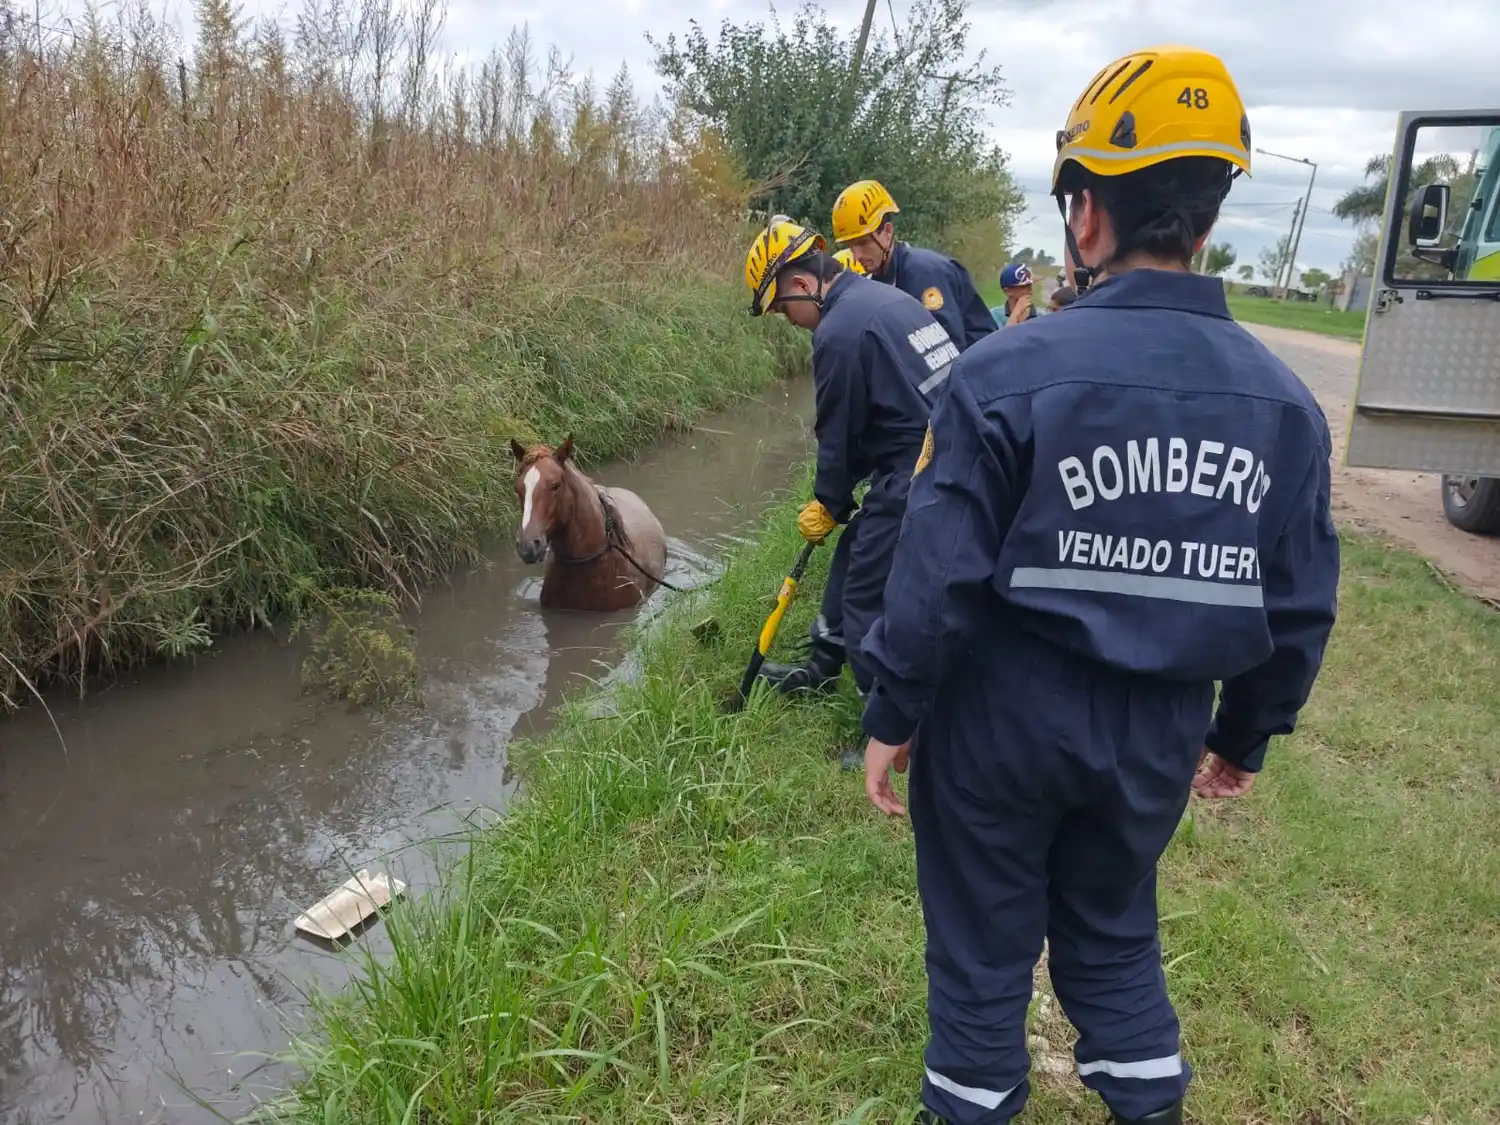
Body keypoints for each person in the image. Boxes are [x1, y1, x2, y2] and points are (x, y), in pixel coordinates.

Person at [856, 45, 1341, 1125]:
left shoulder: (1001, 376)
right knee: (1115, 943)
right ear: (1208, 219)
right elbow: (1300, 605)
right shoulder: (1286, 408)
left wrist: (890, 711)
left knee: (982, 958)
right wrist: (1244, 736)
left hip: (996, 729)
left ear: (1084, 219)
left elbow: (934, 576)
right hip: (1155, 738)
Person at [743, 217, 957, 719]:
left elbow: (838, 435)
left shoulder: (839, 330)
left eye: (781, 307)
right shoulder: (884, 299)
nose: (786, 319)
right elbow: (878, 412)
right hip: (943, 444)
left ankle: (881, 718)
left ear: (801, 284)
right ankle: (822, 664)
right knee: (857, 548)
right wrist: (841, 506)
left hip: (925, 465)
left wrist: (829, 502)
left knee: (866, 592)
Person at [831, 179, 998, 352]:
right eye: (850, 246)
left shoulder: (926, 273)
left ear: (887, 232)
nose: (856, 255)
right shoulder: (878, 280)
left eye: (863, 243)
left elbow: (946, 351)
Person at [992, 261, 1039, 326]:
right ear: (1008, 291)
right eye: (1024, 287)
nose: (1030, 291)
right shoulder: (995, 315)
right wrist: (1016, 313)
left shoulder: (1041, 315)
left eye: (1030, 285)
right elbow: (1002, 336)